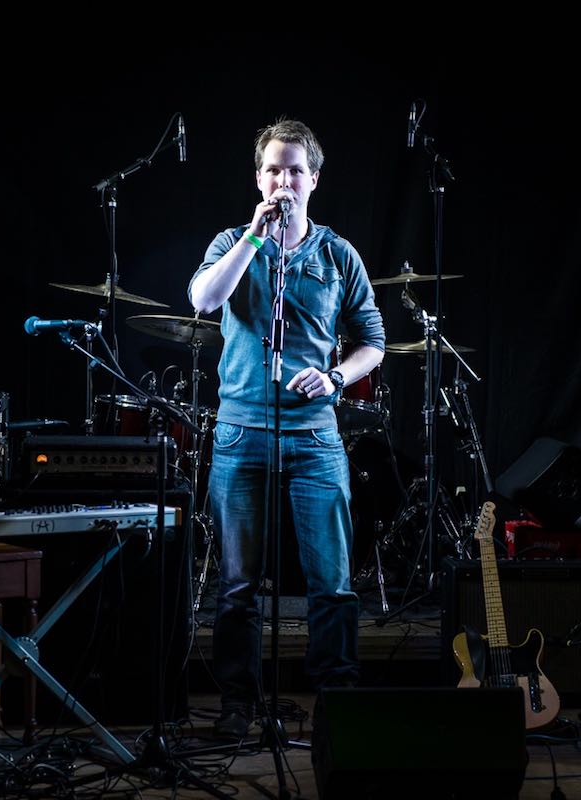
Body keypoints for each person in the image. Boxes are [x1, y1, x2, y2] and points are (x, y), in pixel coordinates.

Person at [188, 119, 385, 739]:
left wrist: (335, 376)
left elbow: (373, 342)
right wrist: (254, 235)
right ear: (258, 178)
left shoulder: (337, 254)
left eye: (295, 170)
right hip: (240, 432)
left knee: (333, 583)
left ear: (314, 180)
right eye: (273, 169)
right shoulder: (232, 241)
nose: (284, 180)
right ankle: (237, 705)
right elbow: (203, 300)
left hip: (314, 435)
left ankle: (338, 704)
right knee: (237, 585)